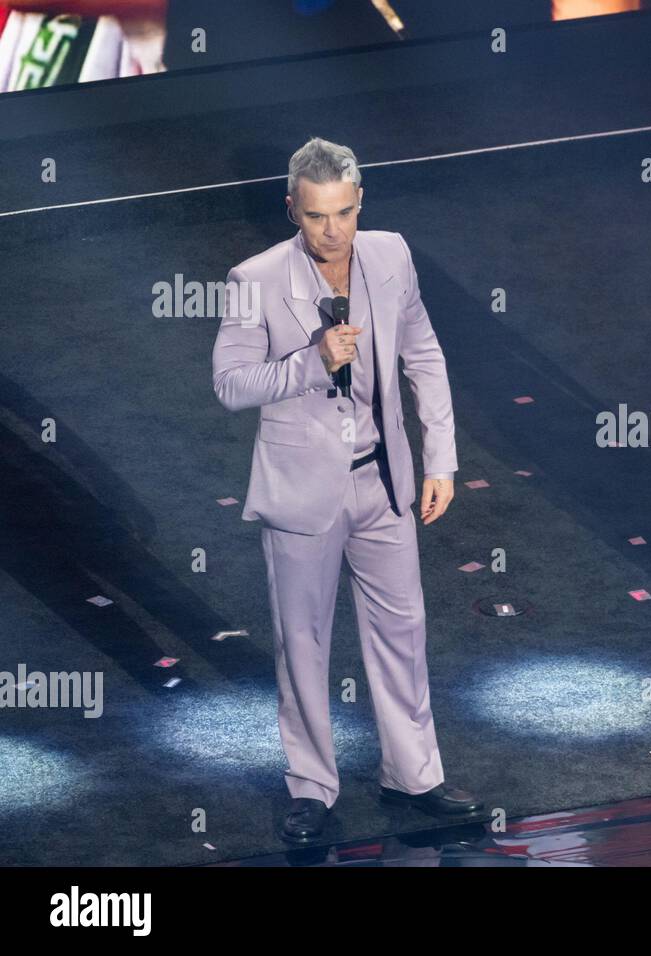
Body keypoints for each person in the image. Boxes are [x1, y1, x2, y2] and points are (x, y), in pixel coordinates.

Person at [212, 136, 481, 842]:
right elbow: (230, 384)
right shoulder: (255, 279)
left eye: (343, 213)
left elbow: (424, 352)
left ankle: (415, 777)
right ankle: (311, 788)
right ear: (291, 210)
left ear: (360, 203)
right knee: (301, 643)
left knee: (404, 633)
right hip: (302, 494)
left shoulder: (391, 256)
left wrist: (440, 459)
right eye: (315, 217)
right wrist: (309, 361)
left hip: (383, 483)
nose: (331, 231)